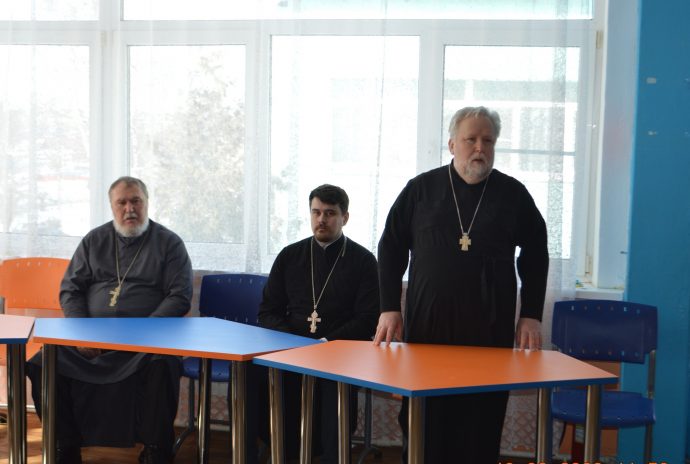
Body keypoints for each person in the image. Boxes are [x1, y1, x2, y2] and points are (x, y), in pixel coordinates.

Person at [374, 106, 549, 463]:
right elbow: (390, 247)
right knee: (425, 423)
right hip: (429, 330)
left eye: (488, 140)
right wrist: (389, 307)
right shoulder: (421, 190)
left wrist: (530, 314)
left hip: (489, 332)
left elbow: (536, 253)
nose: (480, 147)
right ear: (453, 144)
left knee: (480, 424)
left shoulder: (513, 194)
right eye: (471, 139)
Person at [26, 176, 193, 464]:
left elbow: (179, 296)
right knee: (44, 362)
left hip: (146, 340)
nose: (130, 209)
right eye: (122, 202)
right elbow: (70, 290)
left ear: (147, 202)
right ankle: (64, 446)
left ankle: (156, 450)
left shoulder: (169, 243)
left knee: (163, 364)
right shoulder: (94, 240)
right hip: (92, 338)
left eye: (136, 201)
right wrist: (82, 333)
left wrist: (145, 331)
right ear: (112, 206)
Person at [255, 184, 379, 463]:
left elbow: (368, 319)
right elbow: (268, 311)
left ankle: (332, 456)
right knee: (253, 376)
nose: (322, 219)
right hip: (290, 350)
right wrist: (291, 342)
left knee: (332, 389)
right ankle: (279, 452)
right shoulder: (290, 255)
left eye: (330, 213)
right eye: (316, 212)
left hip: (340, 352)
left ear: (345, 217)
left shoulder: (363, 261)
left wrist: (325, 344)